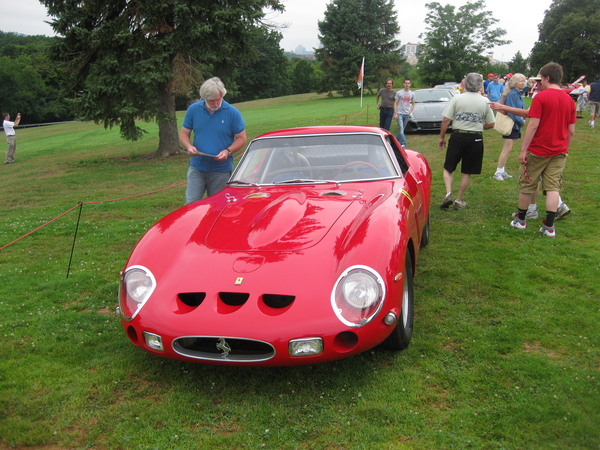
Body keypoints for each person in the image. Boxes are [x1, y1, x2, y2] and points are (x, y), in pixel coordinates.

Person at [508, 62, 576, 238]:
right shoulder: (569, 100)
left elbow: (533, 125)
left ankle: (521, 220)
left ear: (547, 78)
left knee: (527, 184)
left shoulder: (541, 97)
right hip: (559, 151)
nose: (539, 83)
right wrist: (565, 147)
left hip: (538, 150)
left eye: (541, 79)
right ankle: (549, 226)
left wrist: (523, 150)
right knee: (553, 188)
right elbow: (571, 131)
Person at [179, 77, 247, 204]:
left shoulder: (232, 113)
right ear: (204, 97)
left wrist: (228, 151)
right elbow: (184, 133)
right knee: (191, 204)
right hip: (197, 167)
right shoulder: (194, 110)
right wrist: (188, 146)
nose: (215, 103)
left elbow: (242, 139)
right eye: (211, 101)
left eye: (218, 100)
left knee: (217, 205)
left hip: (220, 170)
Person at [438, 72, 495, 210]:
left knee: (449, 167)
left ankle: (448, 193)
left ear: (465, 83)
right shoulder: (485, 101)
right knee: (467, 171)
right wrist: (479, 125)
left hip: (458, 136)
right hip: (475, 138)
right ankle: (458, 200)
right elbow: (491, 124)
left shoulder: (457, 98)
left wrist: (442, 137)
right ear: (480, 84)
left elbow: (446, 120)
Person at [493, 73, 527, 181]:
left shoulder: (519, 94)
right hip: (511, 124)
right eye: (521, 81)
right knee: (507, 149)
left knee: (509, 148)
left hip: (515, 124)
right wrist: (521, 121)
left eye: (524, 81)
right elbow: (511, 110)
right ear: (514, 82)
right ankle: (498, 171)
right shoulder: (512, 94)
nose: (523, 83)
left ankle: (502, 170)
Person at [393, 78, 416, 148]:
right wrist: (395, 113)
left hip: (406, 114)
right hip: (399, 113)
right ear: (403, 84)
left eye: (408, 83)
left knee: (402, 129)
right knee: (401, 127)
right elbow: (395, 103)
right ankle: (403, 143)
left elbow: (414, 104)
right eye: (406, 83)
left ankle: (395, 141)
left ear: (410, 84)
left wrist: (409, 112)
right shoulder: (399, 93)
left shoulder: (412, 94)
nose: (407, 85)